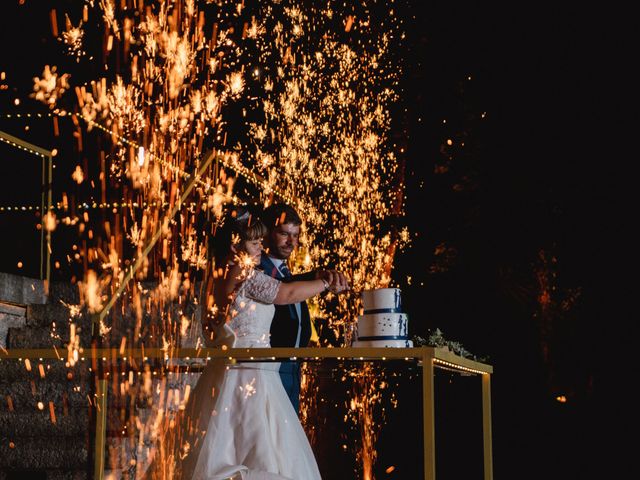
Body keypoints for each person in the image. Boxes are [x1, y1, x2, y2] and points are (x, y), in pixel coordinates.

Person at [173, 205, 348, 480]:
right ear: (235, 247)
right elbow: (285, 293)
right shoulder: (243, 274)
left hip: (243, 371)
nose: (259, 248)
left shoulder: (221, 275)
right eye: (254, 243)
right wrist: (326, 284)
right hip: (250, 376)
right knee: (258, 451)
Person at [259, 203, 348, 413]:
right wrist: (324, 283)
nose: (291, 242)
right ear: (267, 232)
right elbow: (283, 292)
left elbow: (288, 283)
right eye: (284, 234)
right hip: (269, 367)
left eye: (295, 236)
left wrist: (316, 275)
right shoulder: (258, 266)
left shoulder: (282, 270)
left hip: (293, 367)